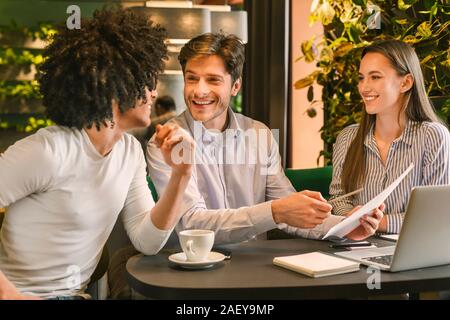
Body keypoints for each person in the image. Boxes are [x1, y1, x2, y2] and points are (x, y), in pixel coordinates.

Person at [0, 7, 194, 299]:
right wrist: (10, 295)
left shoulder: (129, 153)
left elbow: (147, 241)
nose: (154, 93)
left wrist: (181, 174)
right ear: (117, 85)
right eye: (148, 81)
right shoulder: (48, 151)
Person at [146, 33, 383, 245]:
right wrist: (275, 211)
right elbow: (192, 225)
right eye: (192, 79)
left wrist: (345, 226)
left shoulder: (260, 135)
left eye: (213, 80)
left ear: (235, 86)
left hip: (255, 268)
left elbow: (291, 212)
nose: (199, 91)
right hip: (192, 273)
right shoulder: (166, 143)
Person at [329, 39, 450, 234]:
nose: (364, 87)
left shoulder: (432, 136)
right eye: (361, 78)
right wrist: (351, 216)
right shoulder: (348, 137)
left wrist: (380, 223)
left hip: (413, 251)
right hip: (357, 246)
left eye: (375, 77)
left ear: (406, 82)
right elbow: (339, 197)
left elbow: (434, 214)